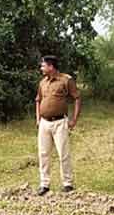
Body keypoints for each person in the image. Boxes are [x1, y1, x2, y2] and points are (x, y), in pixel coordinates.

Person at [35, 55, 81, 195]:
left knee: (63, 153)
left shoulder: (66, 80)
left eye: (43, 66)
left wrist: (74, 119)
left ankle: (67, 184)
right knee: (43, 154)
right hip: (44, 123)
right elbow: (38, 100)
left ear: (51, 66)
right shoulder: (42, 82)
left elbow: (77, 98)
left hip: (60, 122)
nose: (41, 68)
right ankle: (44, 184)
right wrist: (38, 119)